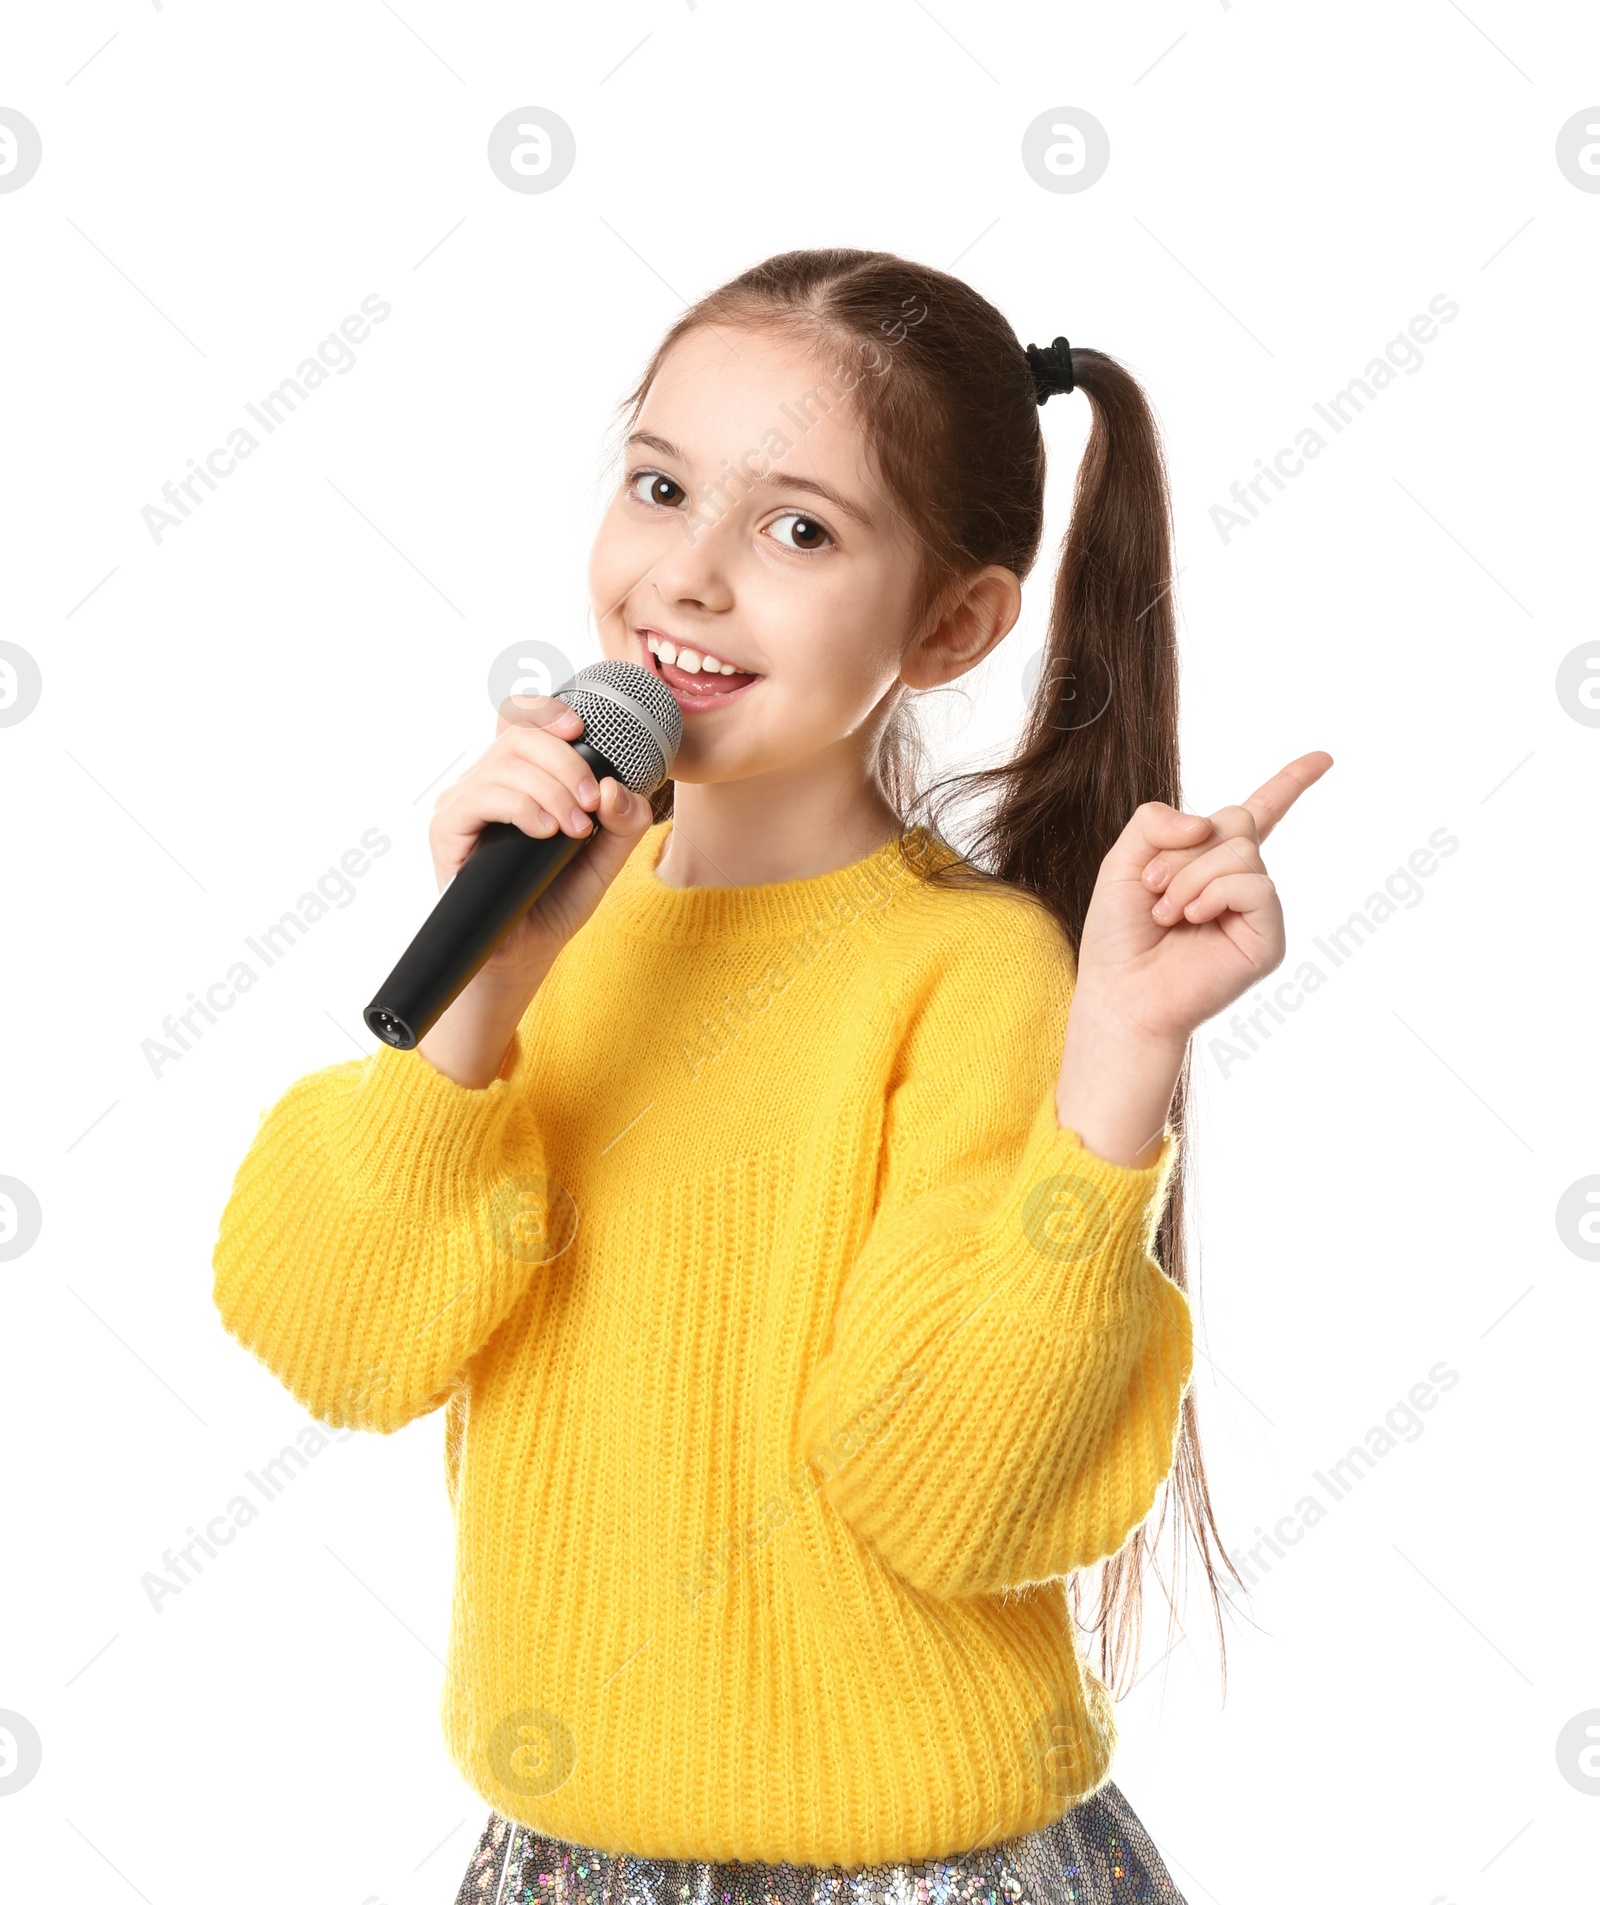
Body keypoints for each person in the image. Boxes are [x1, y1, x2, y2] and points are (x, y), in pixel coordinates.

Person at [212, 247, 1330, 1904]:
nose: (689, 576)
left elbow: (960, 1497)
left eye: (798, 528)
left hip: (926, 1870)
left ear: (950, 624)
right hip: (567, 1861)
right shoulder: (541, 938)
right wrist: (479, 1011)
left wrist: (1117, 1066)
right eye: (661, 485)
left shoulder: (971, 975)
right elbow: (333, 1343)